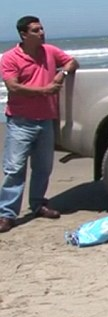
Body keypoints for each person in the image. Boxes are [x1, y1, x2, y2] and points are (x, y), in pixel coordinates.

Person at [0, 16, 79, 233]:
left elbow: (73, 62)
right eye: (35, 30)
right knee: (15, 169)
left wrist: (61, 74)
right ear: (24, 34)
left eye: (42, 28)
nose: (41, 33)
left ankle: (38, 205)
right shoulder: (9, 58)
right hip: (20, 121)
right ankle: (6, 214)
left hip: (45, 120)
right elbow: (13, 87)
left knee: (43, 167)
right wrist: (43, 91)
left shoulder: (50, 51)